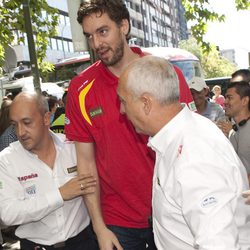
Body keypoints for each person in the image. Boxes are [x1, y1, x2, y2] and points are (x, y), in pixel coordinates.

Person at [65, 1, 195, 249]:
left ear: (123, 26)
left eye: (103, 32)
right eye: (89, 36)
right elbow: (86, 164)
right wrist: (99, 227)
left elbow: (190, 143)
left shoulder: (166, 74)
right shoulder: (80, 89)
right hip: (117, 222)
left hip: (172, 212)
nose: (96, 44)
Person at [117, 55, 250, 250]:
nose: (121, 109)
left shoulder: (194, 153)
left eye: (123, 100)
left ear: (146, 103)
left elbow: (219, 244)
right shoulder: (180, 136)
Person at [0, 92, 99, 250]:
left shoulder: (73, 147)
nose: (20, 132)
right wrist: (60, 194)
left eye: (27, 122)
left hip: (83, 242)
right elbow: (8, 214)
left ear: (46, 118)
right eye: (14, 125)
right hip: (35, 245)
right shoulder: (6, 160)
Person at [224, 81, 250, 183]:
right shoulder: (233, 131)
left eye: (229, 98)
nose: (225, 102)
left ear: (244, 101)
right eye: (225, 97)